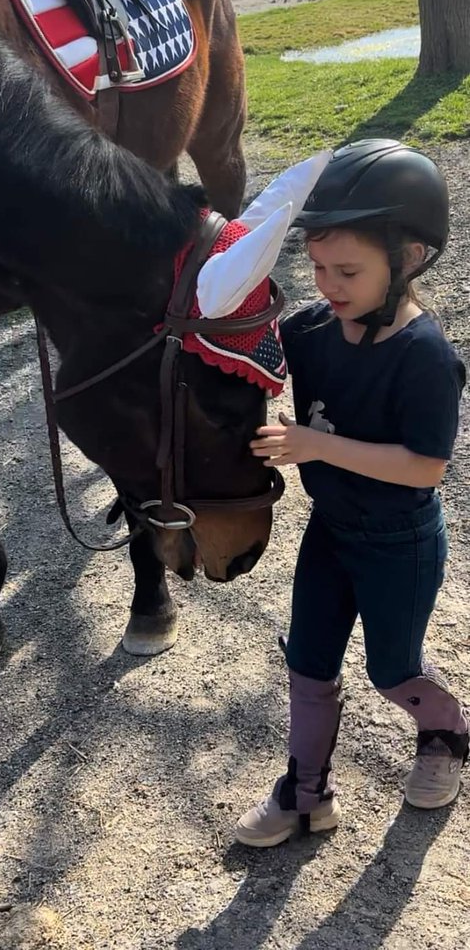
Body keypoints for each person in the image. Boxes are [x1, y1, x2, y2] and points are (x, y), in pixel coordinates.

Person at [235, 140, 468, 849]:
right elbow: (247, 353)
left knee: (391, 666)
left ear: (410, 261)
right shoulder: (310, 329)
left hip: (400, 540)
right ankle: (305, 796)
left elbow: (425, 468)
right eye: (317, 268)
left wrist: (316, 445)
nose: (328, 284)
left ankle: (446, 732)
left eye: (348, 271)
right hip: (332, 531)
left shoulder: (425, 357)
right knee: (307, 661)